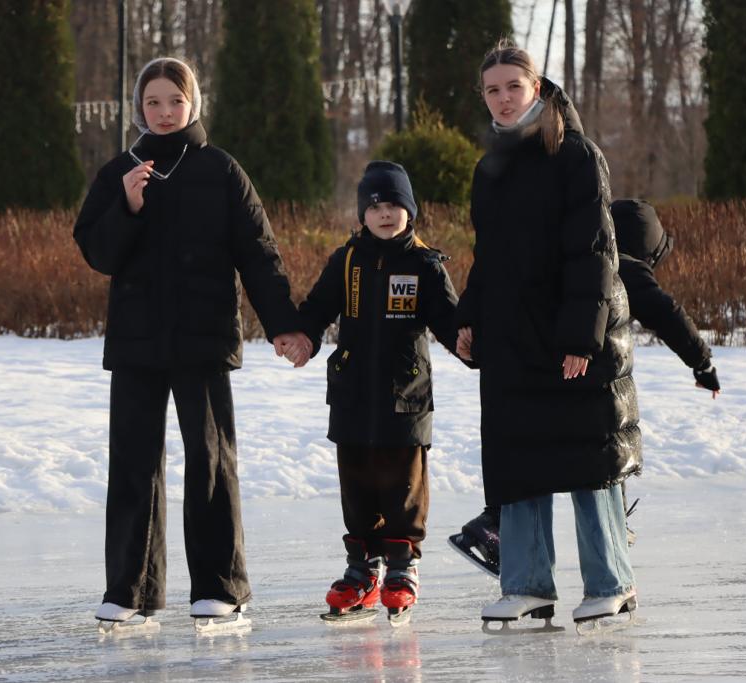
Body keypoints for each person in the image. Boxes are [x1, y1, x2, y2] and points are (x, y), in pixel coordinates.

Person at [73, 57, 311, 631]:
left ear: (193, 104)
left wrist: (284, 324)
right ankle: (129, 591)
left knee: (209, 461)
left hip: (203, 341)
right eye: (152, 102)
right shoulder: (117, 173)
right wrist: (128, 207)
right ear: (139, 107)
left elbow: (259, 253)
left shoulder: (221, 171)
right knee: (132, 466)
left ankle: (220, 587)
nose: (162, 112)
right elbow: (98, 253)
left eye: (173, 101)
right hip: (136, 345)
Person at [454, 42, 641, 629]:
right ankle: (528, 584)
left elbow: (592, 254)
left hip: (571, 339)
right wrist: (469, 317)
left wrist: (579, 340)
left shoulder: (576, 155)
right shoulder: (490, 168)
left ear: (537, 88)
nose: (504, 99)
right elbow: (489, 258)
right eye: (492, 90)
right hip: (513, 342)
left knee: (588, 462)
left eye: (514, 86)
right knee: (519, 463)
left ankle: (612, 582)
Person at [449, 198, 722, 578]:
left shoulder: (567, 260)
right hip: (589, 385)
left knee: (540, 456)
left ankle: (499, 524)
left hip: (546, 380)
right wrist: (702, 361)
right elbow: (668, 313)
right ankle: (599, 533)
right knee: (605, 452)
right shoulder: (623, 268)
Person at [289, 161, 462, 624]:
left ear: (410, 211)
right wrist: (302, 336)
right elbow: (318, 306)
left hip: (404, 397)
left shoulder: (425, 264)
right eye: (376, 206)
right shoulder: (347, 261)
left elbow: (449, 321)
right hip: (351, 394)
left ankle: (403, 569)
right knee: (358, 483)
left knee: (402, 484)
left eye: (395, 205)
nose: (386, 214)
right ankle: (362, 569)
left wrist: (470, 345)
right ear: (363, 214)